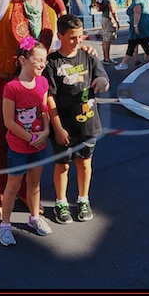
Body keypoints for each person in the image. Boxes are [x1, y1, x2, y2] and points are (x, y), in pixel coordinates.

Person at [0, 0, 98, 225]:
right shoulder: (3, 1)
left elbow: (56, 47)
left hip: (37, 88)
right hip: (7, 83)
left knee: (32, 142)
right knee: (1, 142)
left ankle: (25, 193)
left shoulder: (49, 12)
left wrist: (77, 45)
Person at [44, 14, 110, 224]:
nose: (77, 41)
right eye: (72, 37)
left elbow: (103, 79)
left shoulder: (89, 56)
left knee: (84, 163)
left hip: (88, 123)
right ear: (60, 35)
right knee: (62, 166)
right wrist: (58, 128)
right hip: (63, 127)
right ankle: (61, 202)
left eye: (80, 36)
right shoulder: (52, 63)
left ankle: (83, 199)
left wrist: (101, 81)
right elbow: (49, 98)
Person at [0, 38, 53, 246]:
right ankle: (5, 225)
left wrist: (46, 131)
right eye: (37, 60)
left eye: (44, 60)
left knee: (35, 183)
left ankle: (34, 218)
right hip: (20, 146)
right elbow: (9, 122)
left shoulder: (43, 82)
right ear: (23, 60)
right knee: (13, 186)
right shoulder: (12, 88)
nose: (42, 64)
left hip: (39, 144)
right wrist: (31, 138)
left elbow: (44, 109)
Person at [115, 0, 149, 71]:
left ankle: (123, 64)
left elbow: (137, 13)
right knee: (145, 45)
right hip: (146, 25)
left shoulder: (137, 1)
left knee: (132, 45)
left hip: (139, 26)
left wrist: (135, 26)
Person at [100, 0, 120, 65]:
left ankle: (106, 57)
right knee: (108, 39)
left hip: (103, 18)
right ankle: (107, 58)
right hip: (108, 19)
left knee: (105, 38)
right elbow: (113, 10)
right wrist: (117, 21)